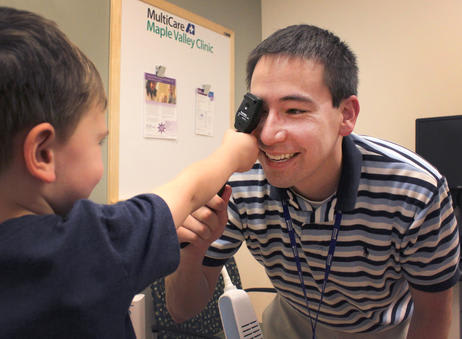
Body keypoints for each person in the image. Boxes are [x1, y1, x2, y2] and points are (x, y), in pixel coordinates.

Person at [165, 24, 460, 339]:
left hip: (383, 330)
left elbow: (433, 315)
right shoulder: (240, 179)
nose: (267, 135)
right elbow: (182, 310)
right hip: (289, 323)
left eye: (294, 110)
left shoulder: (416, 190)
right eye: (261, 111)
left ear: (345, 114)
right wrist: (190, 252)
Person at [0, 7, 258, 339]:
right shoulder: (85, 243)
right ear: (42, 153)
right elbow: (189, 191)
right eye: (99, 142)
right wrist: (230, 155)